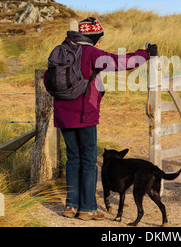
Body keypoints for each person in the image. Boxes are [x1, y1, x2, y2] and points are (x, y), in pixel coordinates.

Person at [44, 17, 158, 221]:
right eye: (99, 38)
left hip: (63, 114)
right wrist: (146, 54)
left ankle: (71, 206)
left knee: (73, 159)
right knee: (88, 161)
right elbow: (121, 62)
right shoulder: (91, 52)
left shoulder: (61, 49)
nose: (100, 42)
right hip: (85, 114)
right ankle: (87, 208)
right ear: (94, 37)